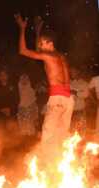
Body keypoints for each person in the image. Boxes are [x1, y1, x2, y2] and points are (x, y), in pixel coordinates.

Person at [15, 14, 74, 163]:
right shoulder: (61, 56)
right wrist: (38, 32)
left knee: (48, 136)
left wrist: (22, 29)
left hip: (58, 99)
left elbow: (23, 51)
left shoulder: (48, 56)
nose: (40, 46)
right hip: (69, 100)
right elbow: (39, 51)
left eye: (42, 43)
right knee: (61, 136)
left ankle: (47, 170)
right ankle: (61, 167)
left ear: (49, 43)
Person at [70, 67, 89, 136]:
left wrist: (75, 92)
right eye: (71, 72)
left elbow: (86, 94)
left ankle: (81, 144)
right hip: (70, 110)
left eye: (73, 71)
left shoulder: (84, 83)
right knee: (71, 129)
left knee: (81, 128)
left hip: (80, 109)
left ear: (78, 72)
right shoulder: (69, 83)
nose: (71, 73)